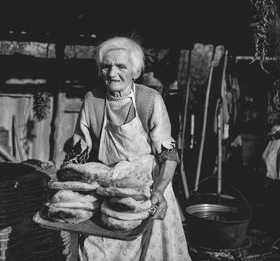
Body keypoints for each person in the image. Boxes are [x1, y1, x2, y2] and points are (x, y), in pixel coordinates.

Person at [64, 36, 192, 261]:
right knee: (97, 251)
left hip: (147, 187)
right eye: (106, 66)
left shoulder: (149, 100)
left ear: (135, 71)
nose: (112, 74)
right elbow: (79, 150)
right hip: (109, 186)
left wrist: (159, 191)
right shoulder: (92, 100)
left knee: (153, 251)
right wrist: (67, 186)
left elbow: (168, 154)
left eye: (121, 66)